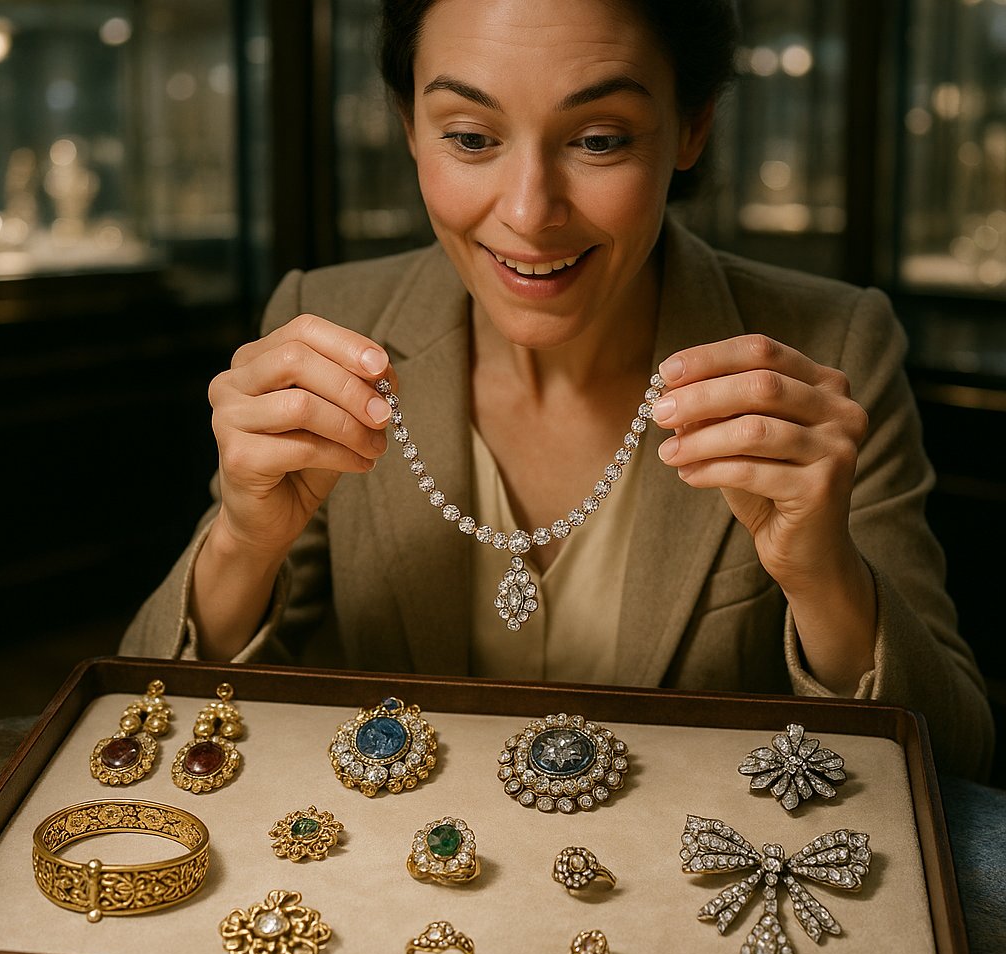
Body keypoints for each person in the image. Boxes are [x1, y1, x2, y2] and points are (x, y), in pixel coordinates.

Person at [121, 0, 994, 779]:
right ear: (407, 125)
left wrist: (822, 575)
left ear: (693, 127)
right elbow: (149, 721)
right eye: (470, 138)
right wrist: (244, 538)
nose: (531, 212)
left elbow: (957, 756)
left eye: (599, 139)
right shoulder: (328, 324)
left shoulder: (828, 351)